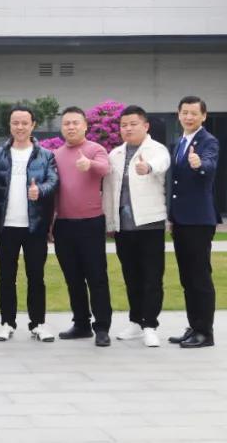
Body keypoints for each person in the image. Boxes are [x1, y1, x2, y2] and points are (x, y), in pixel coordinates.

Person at [0, 105, 59, 343]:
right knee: (6, 277)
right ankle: (7, 323)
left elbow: (53, 181)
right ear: (10, 125)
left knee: (36, 277)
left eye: (25, 123)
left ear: (33, 125)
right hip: (6, 226)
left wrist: (40, 190)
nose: (20, 127)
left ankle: (38, 324)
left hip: (35, 226)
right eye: (15, 122)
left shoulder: (45, 155)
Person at [103, 105, 170, 348]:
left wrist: (147, 167)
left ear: (145, 126)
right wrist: (109, 221)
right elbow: (109, 190)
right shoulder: (115, 154)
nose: (128, 128)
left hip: (149, 224)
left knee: (152, 277)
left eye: (133, 124)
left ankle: (150, 325)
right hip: (124, 227)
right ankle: (135, 321)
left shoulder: (156, 149)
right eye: (124, 125)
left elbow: (161, 163)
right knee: (131, 276)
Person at [52, 107, 113, 347]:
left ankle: (102, 327)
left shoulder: (95, 149)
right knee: (73, 278)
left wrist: (90, 164)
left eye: (75, 122)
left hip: (91, 223)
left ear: (85, 125)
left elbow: (105, 169)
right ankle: (81, 324)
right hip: (64, 224)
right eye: (66, 123)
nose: (71, 127)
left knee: (96, 277)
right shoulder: (56, 155)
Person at [167, 95, 221, 349]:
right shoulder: (180, 141)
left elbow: (209, 164)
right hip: (181, 220)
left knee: (199, 277)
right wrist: (171, 216)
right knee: (187, 278)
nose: (189, 117)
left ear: (203, 116)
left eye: (194, 113)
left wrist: (200, 164)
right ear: (178, 115)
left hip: (199, 220)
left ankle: (205, 332)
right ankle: (194, 326)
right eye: (184, 112)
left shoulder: (208, 140)